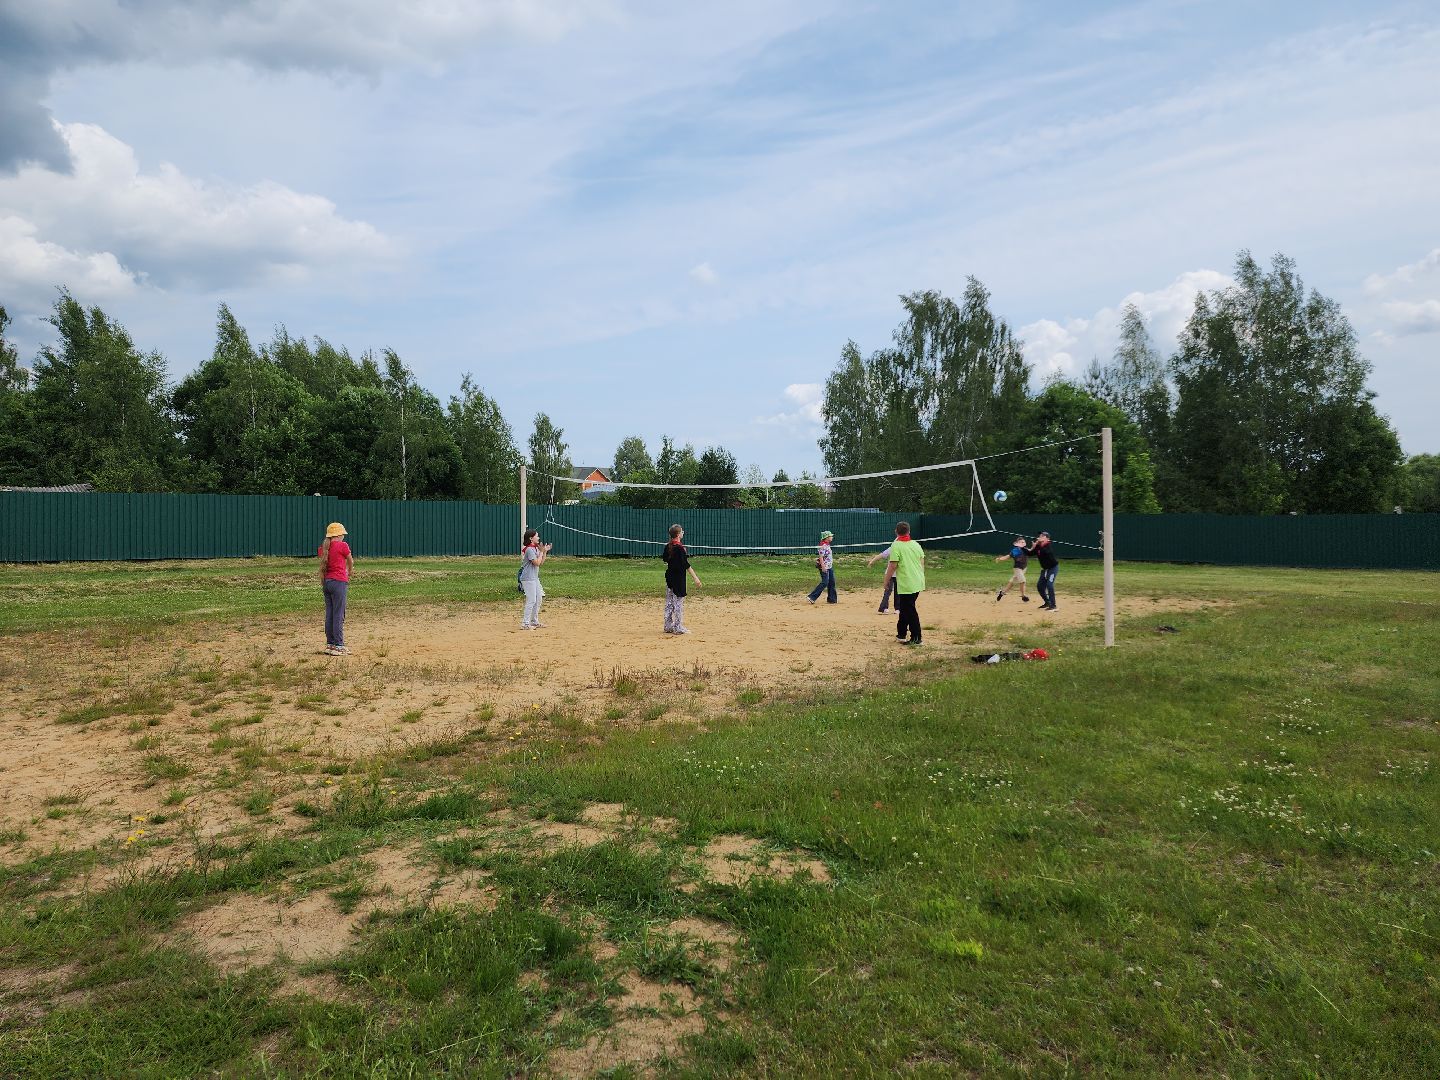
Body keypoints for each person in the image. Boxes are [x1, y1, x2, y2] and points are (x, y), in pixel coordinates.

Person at [885, 521, 925, 645]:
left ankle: (917, 638)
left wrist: (886, 580)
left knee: (910, 610)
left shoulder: (896, 545)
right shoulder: (916, 544)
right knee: (905, 608)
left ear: (896, 532)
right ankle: (901, 634)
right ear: (909, 531)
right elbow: (921, 562)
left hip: (908, 583)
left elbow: (892, 565)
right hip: (917, 581)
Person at [318, 522, 353, 656]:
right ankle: (339, 645)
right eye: (343, 534)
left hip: (327, 582)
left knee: (330, 613)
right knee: (339, 614)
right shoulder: (342, 546)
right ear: (338, 535)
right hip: (339, 582)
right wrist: (349, 571)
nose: (343, 537)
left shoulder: (324, 548)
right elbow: (350, 560)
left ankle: (330, 644)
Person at [661, 523, 701, 634]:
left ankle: (668, 626)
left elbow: (665, 559)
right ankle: (678, 627)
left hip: (670, 577)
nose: (683, 532)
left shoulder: (669, 546)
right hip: (678, 579)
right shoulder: (679, 548)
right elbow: (686, 565)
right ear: (678, 534)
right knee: (678, 603)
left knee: (669, 602)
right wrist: (696, 578)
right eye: (682, 531)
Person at [520, 528, 552, 629]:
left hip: (534, 578)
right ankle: (525, 624)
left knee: (538, 599)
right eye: (536, 536)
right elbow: (536, 562)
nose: (538, 538)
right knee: (531, 600)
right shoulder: (529, 549)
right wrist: (542, 552)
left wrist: (544, 552)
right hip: (528, 578)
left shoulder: (535, 548)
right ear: (531, 538)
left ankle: (534, 621)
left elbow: (541, 563)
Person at [1026, 531, 1059, 610]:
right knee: (1040, 586)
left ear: (1047, 539)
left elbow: (1046, 552)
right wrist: (1023, 547)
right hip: (1044, 570)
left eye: (1042, 536)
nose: (1040, 536)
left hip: (1052, 569)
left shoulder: (1048, 546)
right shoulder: (1038, 546)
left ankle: (1053, 605)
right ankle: (1047, 602)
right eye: (1040, 535)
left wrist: (1037, 545)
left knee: (1049, 585)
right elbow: (1030, 554)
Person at [993, 536, 1031, 603]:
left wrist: (1036, 545)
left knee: (1012, 583)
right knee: (1023, 581)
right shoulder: (1015, 550)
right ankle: (1023, 596)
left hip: (1024, 569)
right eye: (1021, 542)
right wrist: (1000, 559)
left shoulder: (1026, 549)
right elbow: (1008, 556)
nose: (1023, 543)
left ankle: (1001, 593)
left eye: (1024, 542)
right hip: (1017, 568)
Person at [807, 530, 837, 604]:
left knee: (831, 582)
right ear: (827, 537)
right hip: (825, 567)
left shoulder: (827, 545)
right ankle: (812, 597)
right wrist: (823, 567)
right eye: (831, 536)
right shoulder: (823, 546)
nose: (832, 537)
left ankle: (832, 599)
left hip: (829, 566)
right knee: (825, 582)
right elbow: (821, 557)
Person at [866, 545, 895, 613]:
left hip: (900, 574)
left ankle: (898, 608)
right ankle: (884, 607)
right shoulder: (892, 548)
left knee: (898, 591)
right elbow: (882, 555)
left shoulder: (906, 548)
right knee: (888, 590)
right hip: (890, 573)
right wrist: (872, 561)